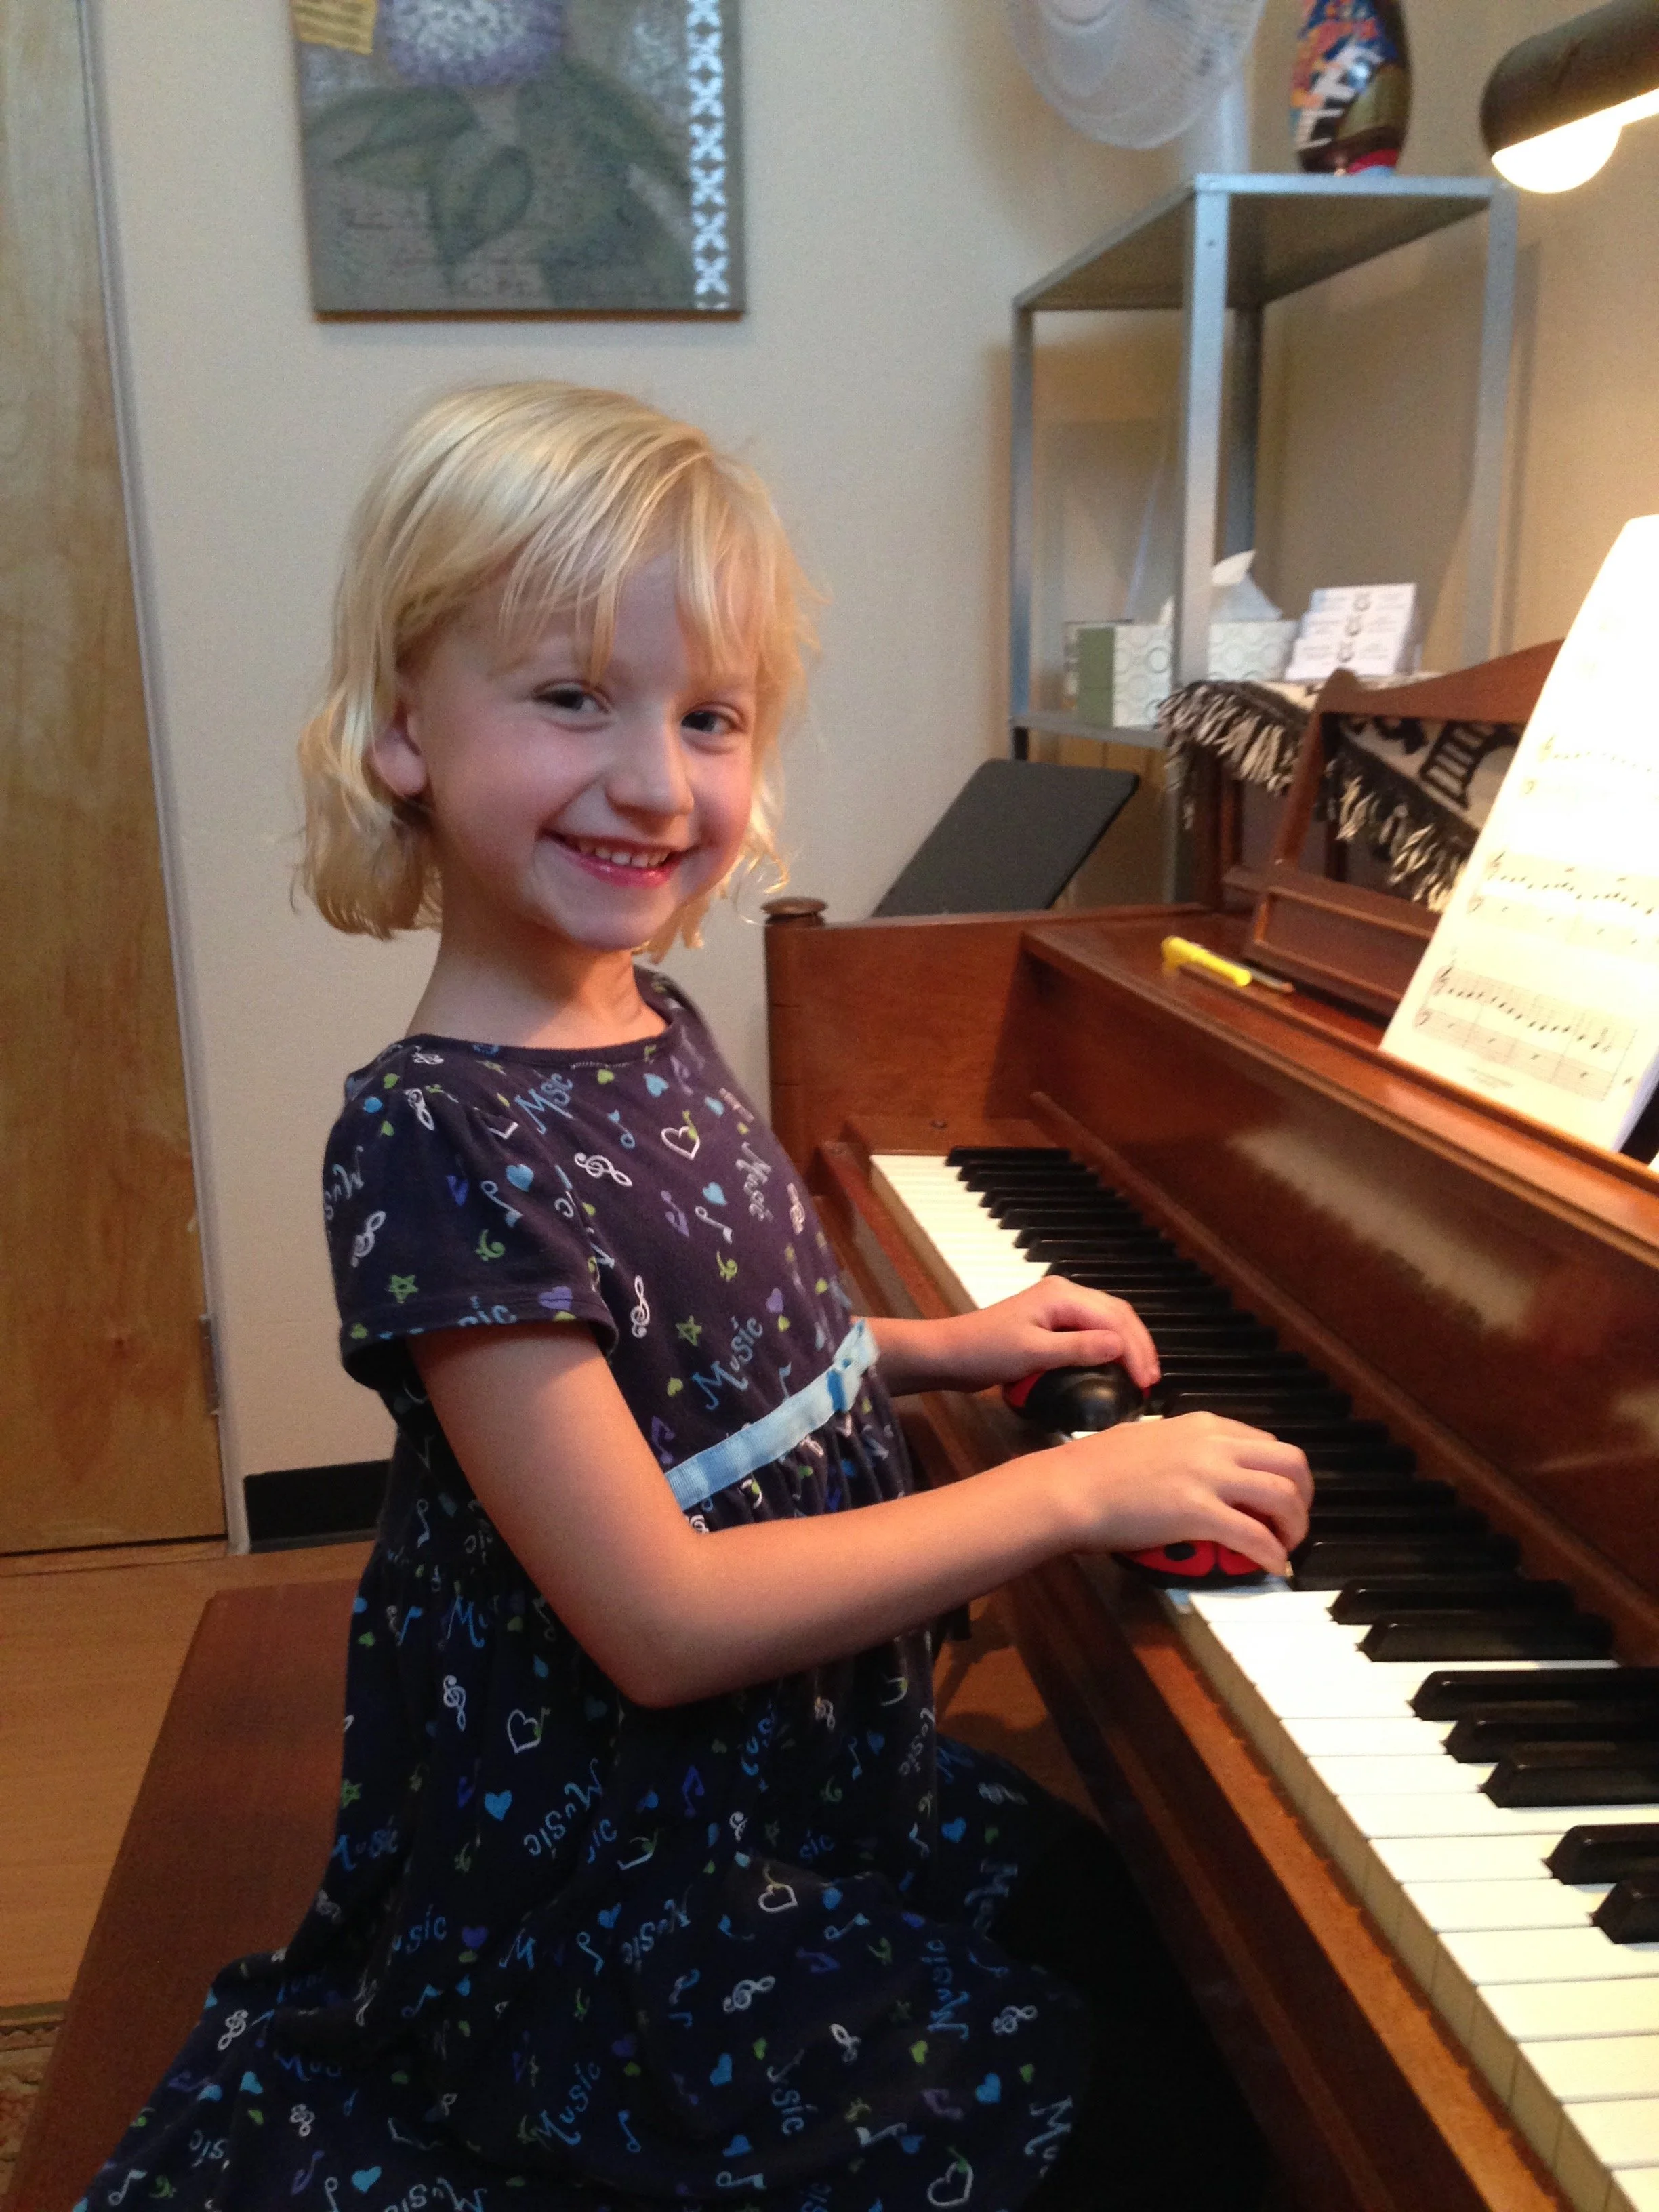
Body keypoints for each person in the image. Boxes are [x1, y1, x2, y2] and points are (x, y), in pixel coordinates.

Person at [83, 382, 1310, 2212]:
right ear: (405, 726)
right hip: (629, 1879)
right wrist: (1063, 1490)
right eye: (572, 695)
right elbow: (655, 1613)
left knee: (1202, 1977)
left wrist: (932, 1349)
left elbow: (710, 1372)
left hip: (821, 1780)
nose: (659, 779)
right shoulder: (436, 1137)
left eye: (711, 717)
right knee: (1138, 2134)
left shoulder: (650, 1015)